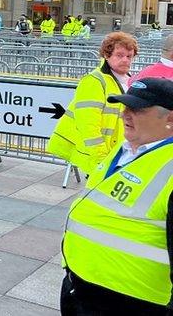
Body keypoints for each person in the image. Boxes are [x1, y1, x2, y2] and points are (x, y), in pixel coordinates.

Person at [58, 78, 173, 315]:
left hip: (131, 301)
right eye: (125, 107)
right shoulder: (126, 148)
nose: (125, 115)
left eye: (138, 110)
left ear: (170, 118)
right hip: (80, 286)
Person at [48, 32, 139, 175]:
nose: (125, 60)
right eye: (119, 55)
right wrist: (101, 159)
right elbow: (88, 125)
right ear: (106, 55)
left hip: (119, 154)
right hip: (101, 157)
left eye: (129, 56)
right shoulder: (94, 81)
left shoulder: (131, 81)